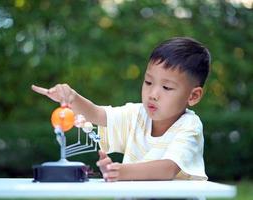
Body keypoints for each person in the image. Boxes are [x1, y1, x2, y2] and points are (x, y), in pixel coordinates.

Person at [31, 37, 211, 182]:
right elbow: (96, 114)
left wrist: (121, 172)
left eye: (167, 88)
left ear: (193, 96)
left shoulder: (190, 125)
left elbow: (168, 168)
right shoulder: (136, 115)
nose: (153, 94)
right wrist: (72, 98)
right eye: (148, 82)